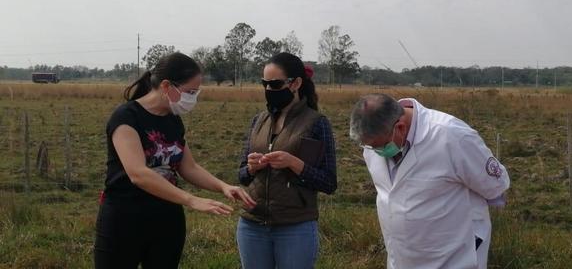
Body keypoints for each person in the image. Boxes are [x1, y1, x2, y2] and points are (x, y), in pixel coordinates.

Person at [94, 52, 256, 268]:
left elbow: (188, 167)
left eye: (196, 92)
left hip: (167, 219)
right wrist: (192, 200)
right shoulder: (126, 117)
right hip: (124, 219)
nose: (193, 98)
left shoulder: (173, 120)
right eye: (190, 92)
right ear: (166, 86)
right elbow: (138, 174)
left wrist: (223, 186)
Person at [349, 94, 510, 269]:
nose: (375, 151)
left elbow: (495, 186)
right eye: (369, 147)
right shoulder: (376, 144)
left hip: (454, 259)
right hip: (401, 258)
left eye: (379, 146)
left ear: (400, 128)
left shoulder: (451, 135)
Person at [236, 52, 337, 269]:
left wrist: (295, 164)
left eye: (275, 84)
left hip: (295, 226)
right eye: (265, 84)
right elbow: (242, 175)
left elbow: (329, 182)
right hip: (251, 225)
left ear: (296, 83)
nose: (268, 90)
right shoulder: (259, 121)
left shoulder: (316, 124)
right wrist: (252, 168)